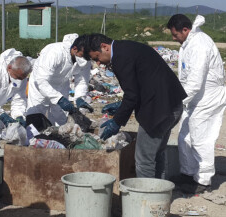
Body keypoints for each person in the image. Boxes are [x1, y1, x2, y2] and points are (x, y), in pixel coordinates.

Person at [85, 33, 187, 179]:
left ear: (104, 47)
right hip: (172, 105)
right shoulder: (126, 47)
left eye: (97, 58)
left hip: (158, 111)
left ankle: (145, 197)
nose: (99, 63)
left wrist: (117, 121)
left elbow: (132, 95)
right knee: (157, 153)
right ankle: (159, 193)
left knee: (144, 159)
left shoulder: (120, 58)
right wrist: (122, 106)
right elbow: (139, 85)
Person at [167, 14, 226, 194]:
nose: (173, 38)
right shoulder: (189, 43)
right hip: (194, 98)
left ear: (185, 30)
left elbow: (195, 82)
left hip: (208, 97)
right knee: (185, 137)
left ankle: (204, 180)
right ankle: (188, 173)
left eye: (175, 35)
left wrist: (174, 101)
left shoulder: (199, 44)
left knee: (201, 139)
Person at [26, 33, 93, 127]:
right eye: (82, 55)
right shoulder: (54, 53)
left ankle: (57, 138)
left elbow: (82, 81)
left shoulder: (85, 58)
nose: (84, 58)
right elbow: (42, 81)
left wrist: (79, 98)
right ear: (74, 49)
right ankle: (35, 139)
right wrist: (58, 99)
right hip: (40, 84)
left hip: (61, 84)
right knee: (37, 114)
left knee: (60, 116)